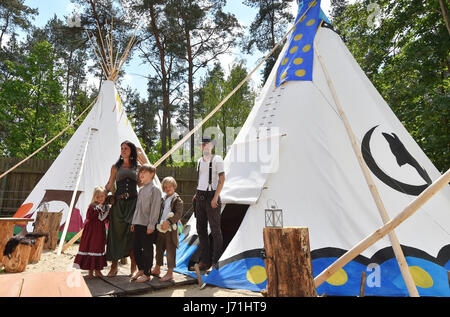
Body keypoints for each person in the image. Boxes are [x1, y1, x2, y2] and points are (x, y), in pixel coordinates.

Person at [105, 140, 146, 277]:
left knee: (132, 235)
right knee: (115, 235)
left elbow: (141, 184)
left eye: (126, 148)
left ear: (131, 151)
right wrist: (101, 196)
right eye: (122, 148)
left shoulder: (138, 167)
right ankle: (114, 267)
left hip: (133, 204)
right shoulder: (115, 167)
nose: (123, 150)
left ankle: (133, 267)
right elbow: (110, 184)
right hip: (118, 204)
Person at [192, 136, 225, 271]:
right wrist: (196, 193)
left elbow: (222, 179)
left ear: (211, 146)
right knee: (201, 229)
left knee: (215, 230)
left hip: (212, 196)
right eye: (203, 144)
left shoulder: (217, 159)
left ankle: (215, 263)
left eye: (207, 144)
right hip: (200, 196)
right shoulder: (199, 161)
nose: (204, 146)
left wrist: (215, 197)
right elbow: (201, 178)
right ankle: (205, 261)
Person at [130, 164, 162, 283]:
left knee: (147, 249)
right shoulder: (141, 189)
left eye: (144, 172)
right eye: (140, 172)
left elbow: (155, 209)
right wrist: (134, 221)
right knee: (136, 248)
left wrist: (151, 225)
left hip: (147, 225)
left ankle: (147, 273)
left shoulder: (155, 190)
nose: (141, 174)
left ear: (152, 174)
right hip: (138, 223)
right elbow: (137, 208)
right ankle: (141, 269)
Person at [73, 186, 110, 279]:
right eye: (98, 197)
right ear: (95, 197)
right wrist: (98, 209)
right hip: (91, 231)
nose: (101, 198)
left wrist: (106, 209)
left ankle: (98, 270)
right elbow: (89, 217)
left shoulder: (106, 207)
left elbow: (105, 219)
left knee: (99, 248)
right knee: (91, 248)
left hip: (100, 231)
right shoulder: (92, 206)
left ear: (105, 196)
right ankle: (90, 272)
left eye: (102, 196)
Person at [151, 177, 183, 282]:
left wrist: (169, 222)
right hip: (161, 228)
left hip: (170, 230)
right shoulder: (163, 198)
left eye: (170, 186)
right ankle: (157, 268)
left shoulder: (177, 200)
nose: (167, 188)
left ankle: (170, 273)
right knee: (159, 248)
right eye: (165, 187)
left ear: (174, 187)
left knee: (170, 251)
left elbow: (178, 214)